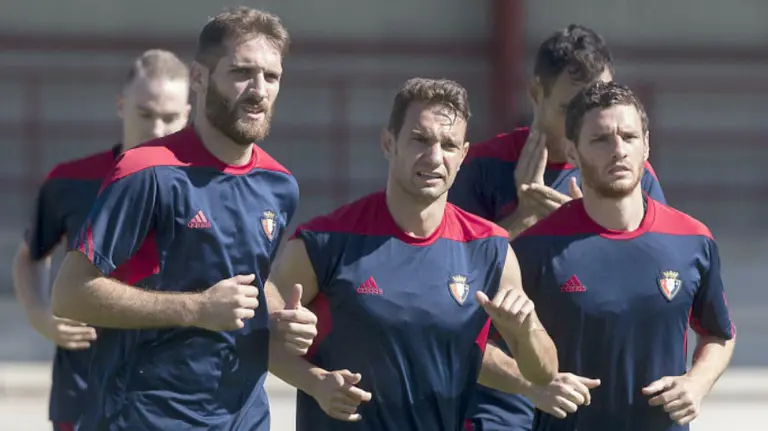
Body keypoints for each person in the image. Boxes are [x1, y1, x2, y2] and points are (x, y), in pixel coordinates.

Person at [50, 7, 316, 431]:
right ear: (198, 77)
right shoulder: (147, 171)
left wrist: (284, 319)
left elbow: (244, 279)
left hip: (245, 419)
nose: (259, 90)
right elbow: (69, 294)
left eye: (272, 76)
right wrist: (197, 308)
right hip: (142, 418)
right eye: (242, 72)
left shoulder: (280, 184)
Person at [265, 77, 558, 431]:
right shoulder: (327, 240)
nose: (434, 157)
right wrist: (314, 382)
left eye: (449, 145)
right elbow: (254, 334)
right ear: (389, 143)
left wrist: (525, 332)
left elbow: (543, 371)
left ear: (463, 155)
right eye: (420, 139)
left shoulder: (490, 249)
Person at [449, 25, 668, 430]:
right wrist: (521, 221)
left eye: (597, 100)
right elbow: (449, 281)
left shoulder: (635, 176)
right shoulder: (480, 167)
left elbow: (657, 276)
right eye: (572, 108)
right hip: (503, 389)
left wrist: (590, 227)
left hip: (594, 384)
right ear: (536, 93)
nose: (589, 118)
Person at [518, 80, 735, 431]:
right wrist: (532, 386)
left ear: (646, 145)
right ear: (572, 152)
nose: (618, 150)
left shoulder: (692, 240)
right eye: (600, 139)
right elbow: (479, 347)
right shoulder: (534, 248)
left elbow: (719, 334)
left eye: (629, 137)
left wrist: (696, 383)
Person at [11, 48, 191, 431]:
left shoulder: (207, 188)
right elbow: (31, 255)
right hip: (83, 389)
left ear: (188, 115)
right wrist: (40, 316)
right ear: (121, 105)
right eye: (146, 114)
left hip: (174, 394)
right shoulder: (70, 180)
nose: (157, 128)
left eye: (170, 117)